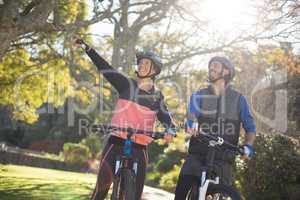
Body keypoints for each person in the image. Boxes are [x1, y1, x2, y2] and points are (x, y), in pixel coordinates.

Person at [73, 37, 176, 200]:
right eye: (140, 64)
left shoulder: (157, 96)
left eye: (146, 64)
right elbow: (105, 68)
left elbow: (166, 117)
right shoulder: (126, 84)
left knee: (134, 195)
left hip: (140, 147)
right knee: (101, 190)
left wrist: (171, 129)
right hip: (116, 141)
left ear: (155, 70)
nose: (141, 66)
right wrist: (88, 49)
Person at [174, 56, 256, 199]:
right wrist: (192, 123)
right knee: (181, 190)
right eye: (210, 65)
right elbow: (191, 114)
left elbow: (250, 127)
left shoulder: (239, 99)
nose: (211, 68)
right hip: (198, 154)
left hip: (224, 158)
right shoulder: (199, 95)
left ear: (226, 72)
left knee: (224, 194)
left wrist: (248, 146)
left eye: (216, 66)